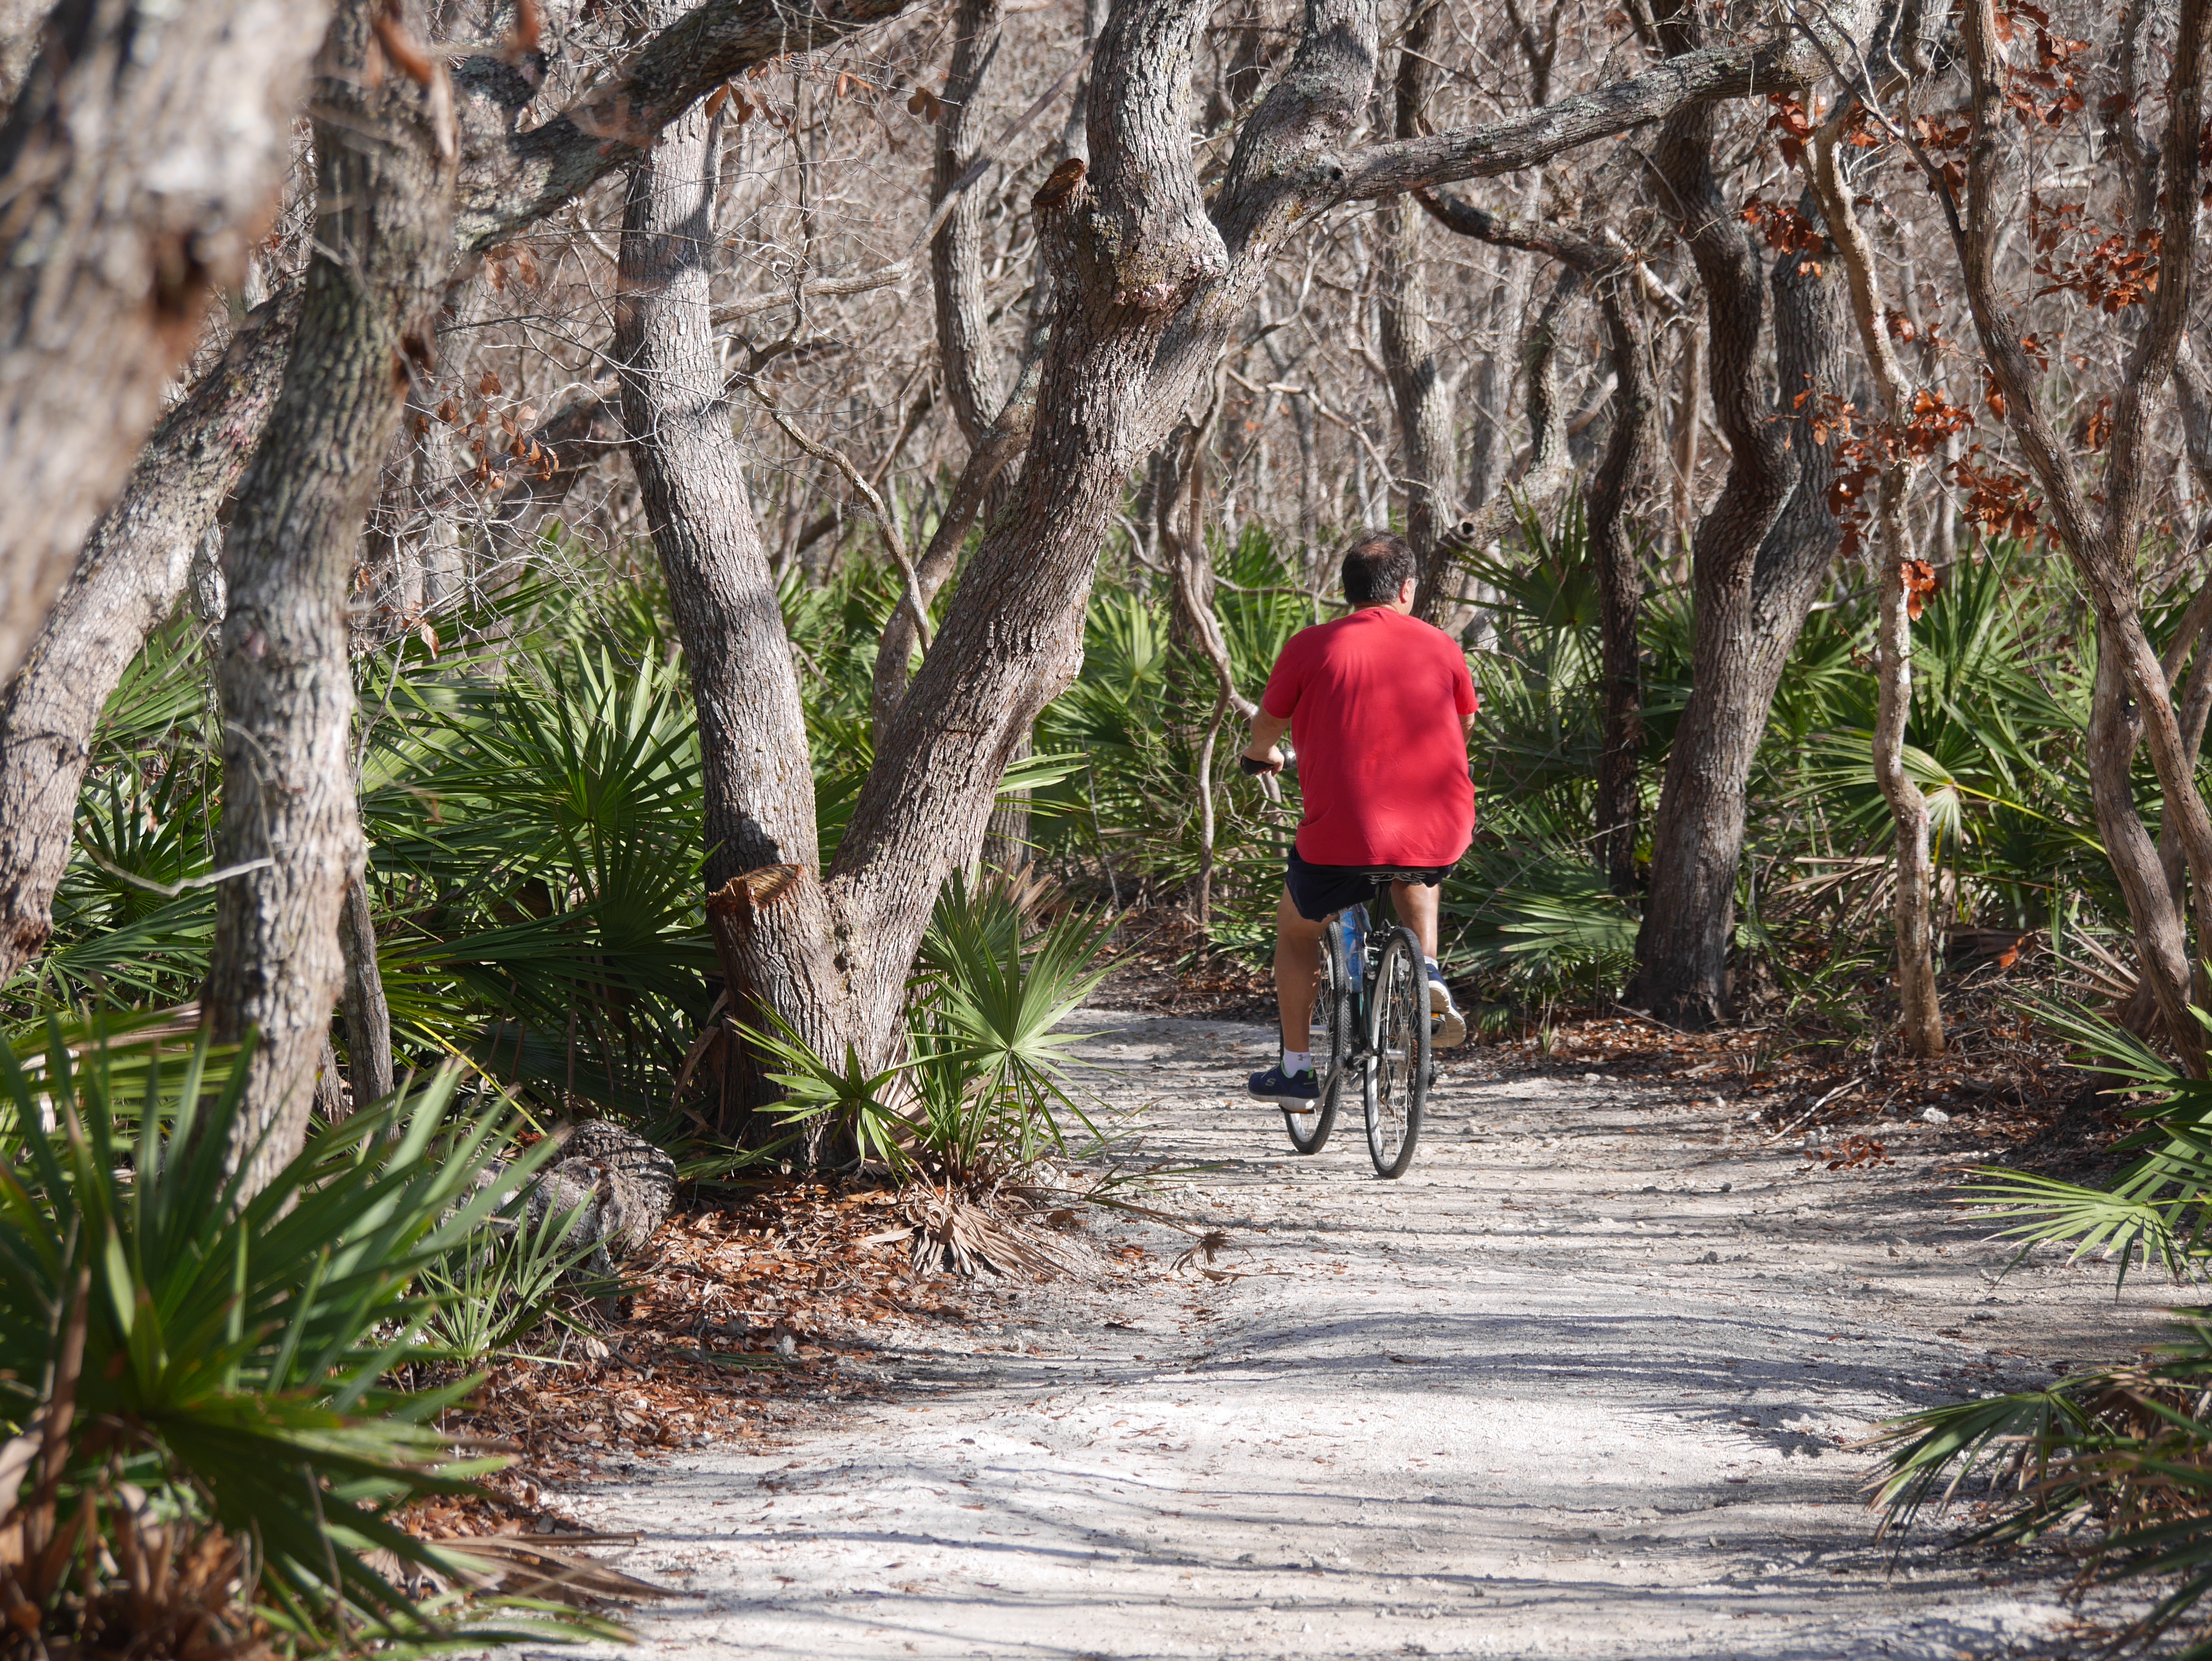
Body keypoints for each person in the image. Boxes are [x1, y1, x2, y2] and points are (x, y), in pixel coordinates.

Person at [1239, 531, 1477, 1103]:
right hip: (1437, 824)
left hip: (1343, 835)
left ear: (1347, 591)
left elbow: (1267, 725)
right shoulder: (1442, 647)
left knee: (1296, 932)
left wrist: (1260, 755)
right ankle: (1426, 972)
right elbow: (1464, 725)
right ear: (1405, 588)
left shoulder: (1311, 646)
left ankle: (1296, 1071)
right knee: (1418, 867)